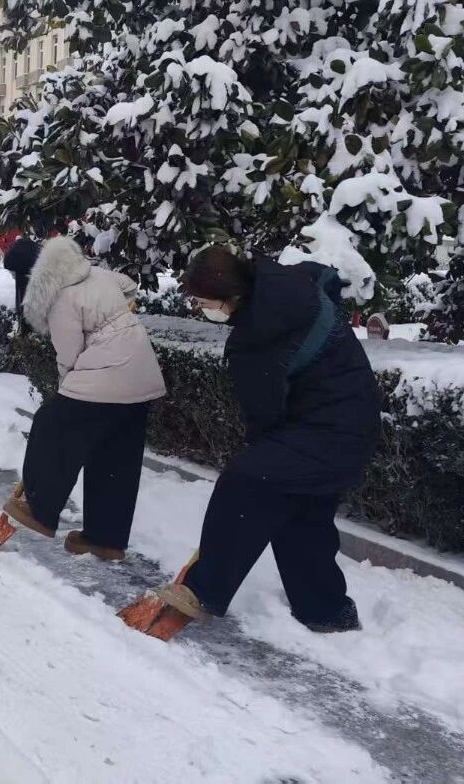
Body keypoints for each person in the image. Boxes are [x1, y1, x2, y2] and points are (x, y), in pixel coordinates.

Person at [153, 245, 380, 634]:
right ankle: (326, 610)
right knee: (300, 509)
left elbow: (265, 419)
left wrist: (259, 452)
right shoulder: (282, 286)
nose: (200, 307)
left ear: (230, 297)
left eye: (203, 301)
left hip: (330, 431)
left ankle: (202, 589)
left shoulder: (260, 335)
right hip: (351, 423)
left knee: (245, 480)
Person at [0, 238, 167, 558]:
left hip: (106, 374)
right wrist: (120, 310)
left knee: (52, 424)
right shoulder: (92, 273)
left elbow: (69, 358)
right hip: (141, 375)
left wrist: (66, 394)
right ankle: (106, 538)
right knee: (114, 453)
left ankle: (40, 509)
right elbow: (128, 284)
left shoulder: (61, 298)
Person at [2, 234, 40, 332]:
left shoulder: (15, 247)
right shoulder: (36, 247)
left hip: (21, 278)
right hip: (35, 278)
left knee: (22, 305)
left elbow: (7, 263)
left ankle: (24, 331)